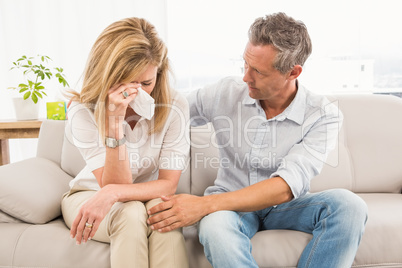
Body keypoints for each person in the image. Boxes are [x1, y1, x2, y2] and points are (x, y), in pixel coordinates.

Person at [147, 12, 368, 267]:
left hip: (287, 208)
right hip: (232, 207)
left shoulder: (323, 115)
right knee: (216, 226)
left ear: (293, 72)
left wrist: (204, 204)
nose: (245, 77)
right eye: (245, 64)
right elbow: (170, 110)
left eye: (258, 72)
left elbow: (285, 187)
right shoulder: (225, 92)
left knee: (350, 206)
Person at [61, 17, 189, 268]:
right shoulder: (81, 110)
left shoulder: (175, 105)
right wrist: (114, 122)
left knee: (165, 219)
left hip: (142, 195)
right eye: (126, 82)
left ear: (158, 74)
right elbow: (111, 185)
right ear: (106, 75)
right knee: (130, 214)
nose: (137, 93)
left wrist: (113, 192)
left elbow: (168, 185)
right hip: (90, 194)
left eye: (146, 83)